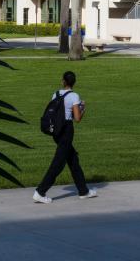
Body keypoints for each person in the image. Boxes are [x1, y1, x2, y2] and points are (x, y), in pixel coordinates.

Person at [33, 71, 98, 203]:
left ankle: (83, 190)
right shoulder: (74, 96)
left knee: (73, 160)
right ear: (74, 82)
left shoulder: (55, 94)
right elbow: (77, 118)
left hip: (56, 131)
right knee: (58, 163)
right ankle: (40, 191)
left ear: (63, 81)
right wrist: (83, 108)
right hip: (67, 130)